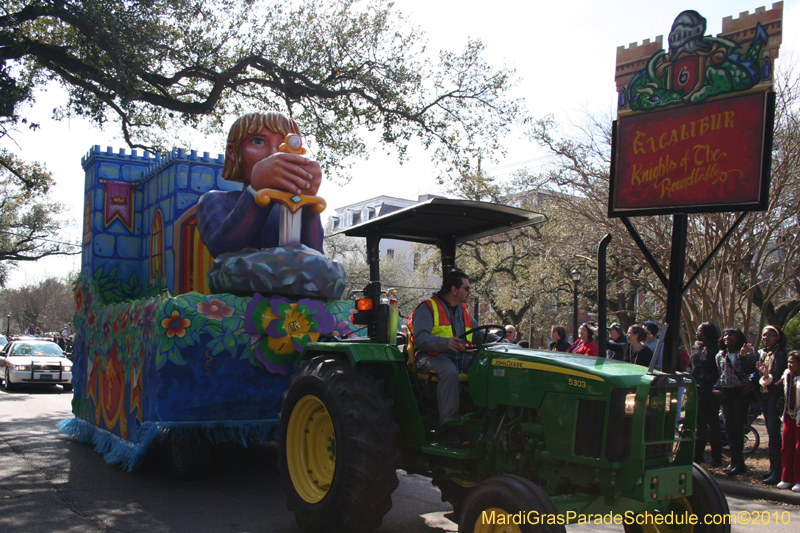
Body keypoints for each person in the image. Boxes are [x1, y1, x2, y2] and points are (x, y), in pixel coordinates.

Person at [196, 111, 324, 258]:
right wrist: (256, 192)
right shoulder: (215, 200)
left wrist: (308, 202)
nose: (274, 154)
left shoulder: (293, 204)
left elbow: (316, 256)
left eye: (284, 144)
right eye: (258, 142)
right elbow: (222, 248)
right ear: (232, 152)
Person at [412, 270, 485, 446]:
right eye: (466, 288)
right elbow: (420, 338)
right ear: (454, 290)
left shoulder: (463, 311)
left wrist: (501, 340)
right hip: (430, 356)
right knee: (449, 372)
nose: (469, 292)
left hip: (459, 356)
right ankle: (449, 427)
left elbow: (478, 335)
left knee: (486, 367)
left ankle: (484, 419)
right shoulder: (428, 308)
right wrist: (445, 343)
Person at [746, 325, 790, 484]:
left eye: (770, 335)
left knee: (773, 429)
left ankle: (778, 470)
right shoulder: (760, 353)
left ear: (778, 337)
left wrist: (780, 398)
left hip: (776, 394)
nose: (766, 338)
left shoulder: (785, 353)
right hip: (762, 394)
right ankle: (772, 467)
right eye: (764, 335)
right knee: (770, 430)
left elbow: (786, 375)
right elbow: (753, 370)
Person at [713, 327, 755, 476]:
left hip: (741, 392)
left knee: (738, 427)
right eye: (725, 335)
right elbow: (721, 374)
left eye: (731, 335)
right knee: (729, 427)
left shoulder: (746, 352)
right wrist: (716, 388)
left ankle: (740, 463)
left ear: (738, 338)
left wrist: (743, 357)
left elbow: (750, 370)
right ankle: (734, 461)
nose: (727, 337)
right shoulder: (720, 355)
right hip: (726, 393)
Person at [758, 351, 800, 492]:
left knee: (799, 449)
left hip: (799, 417)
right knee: (786, 447)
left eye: (792, 362)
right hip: (789, 415)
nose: (789, 364)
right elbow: (775, 389)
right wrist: (766, 376)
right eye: (788, 362)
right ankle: (786, 478)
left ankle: (798, 480)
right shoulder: (787, 375)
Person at [689, 322, 722, 467]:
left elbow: (720, 369)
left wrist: (709, 378)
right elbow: (691, 365)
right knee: (699, 424)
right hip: (697, 389)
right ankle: (698, 455)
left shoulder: (717, 349)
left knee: (713, 424)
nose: (697, 333)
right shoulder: (697, 348)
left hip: (711, 390)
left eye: (700, 330)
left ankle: (716, 457)